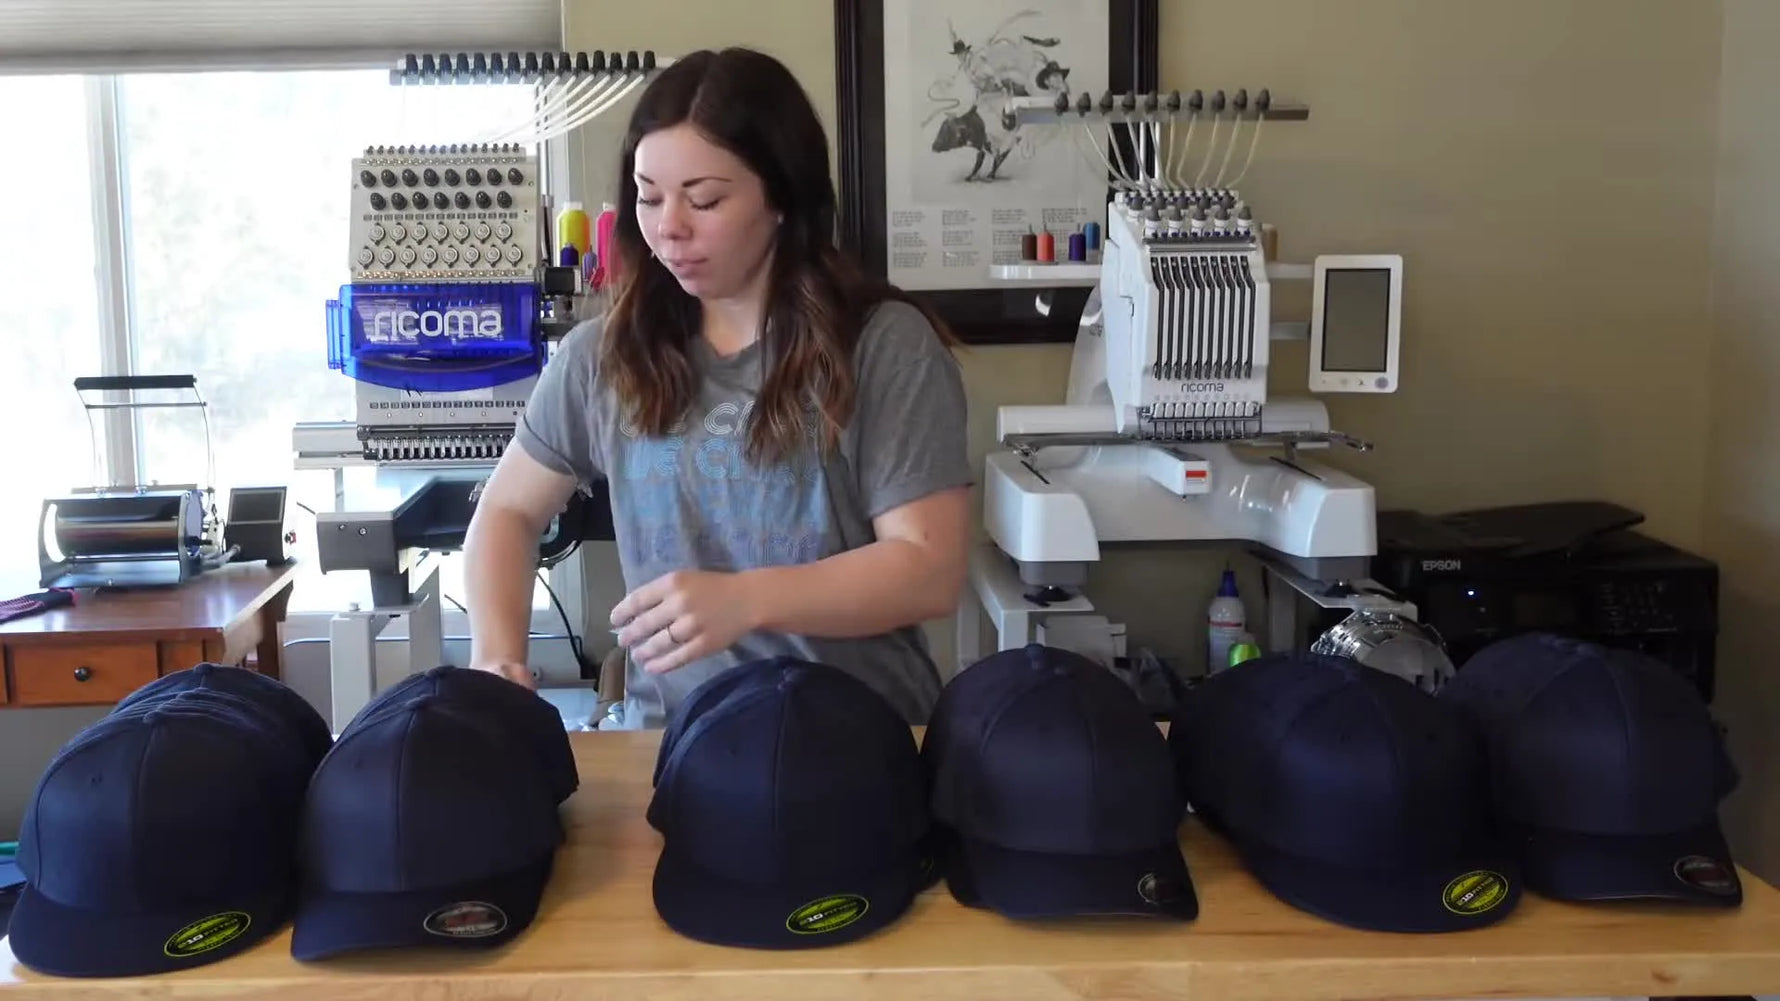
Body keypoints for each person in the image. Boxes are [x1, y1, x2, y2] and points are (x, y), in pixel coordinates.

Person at [461, 47, 974, 730]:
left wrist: (748, 600)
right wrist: (497, 658)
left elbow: (928, 568)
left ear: (782, 198)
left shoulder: (883, 346)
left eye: (704, 200)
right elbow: (506, 511)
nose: (669, 226)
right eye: (648, 197)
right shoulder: (603, 357)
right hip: (671, 746)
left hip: (857, 742)